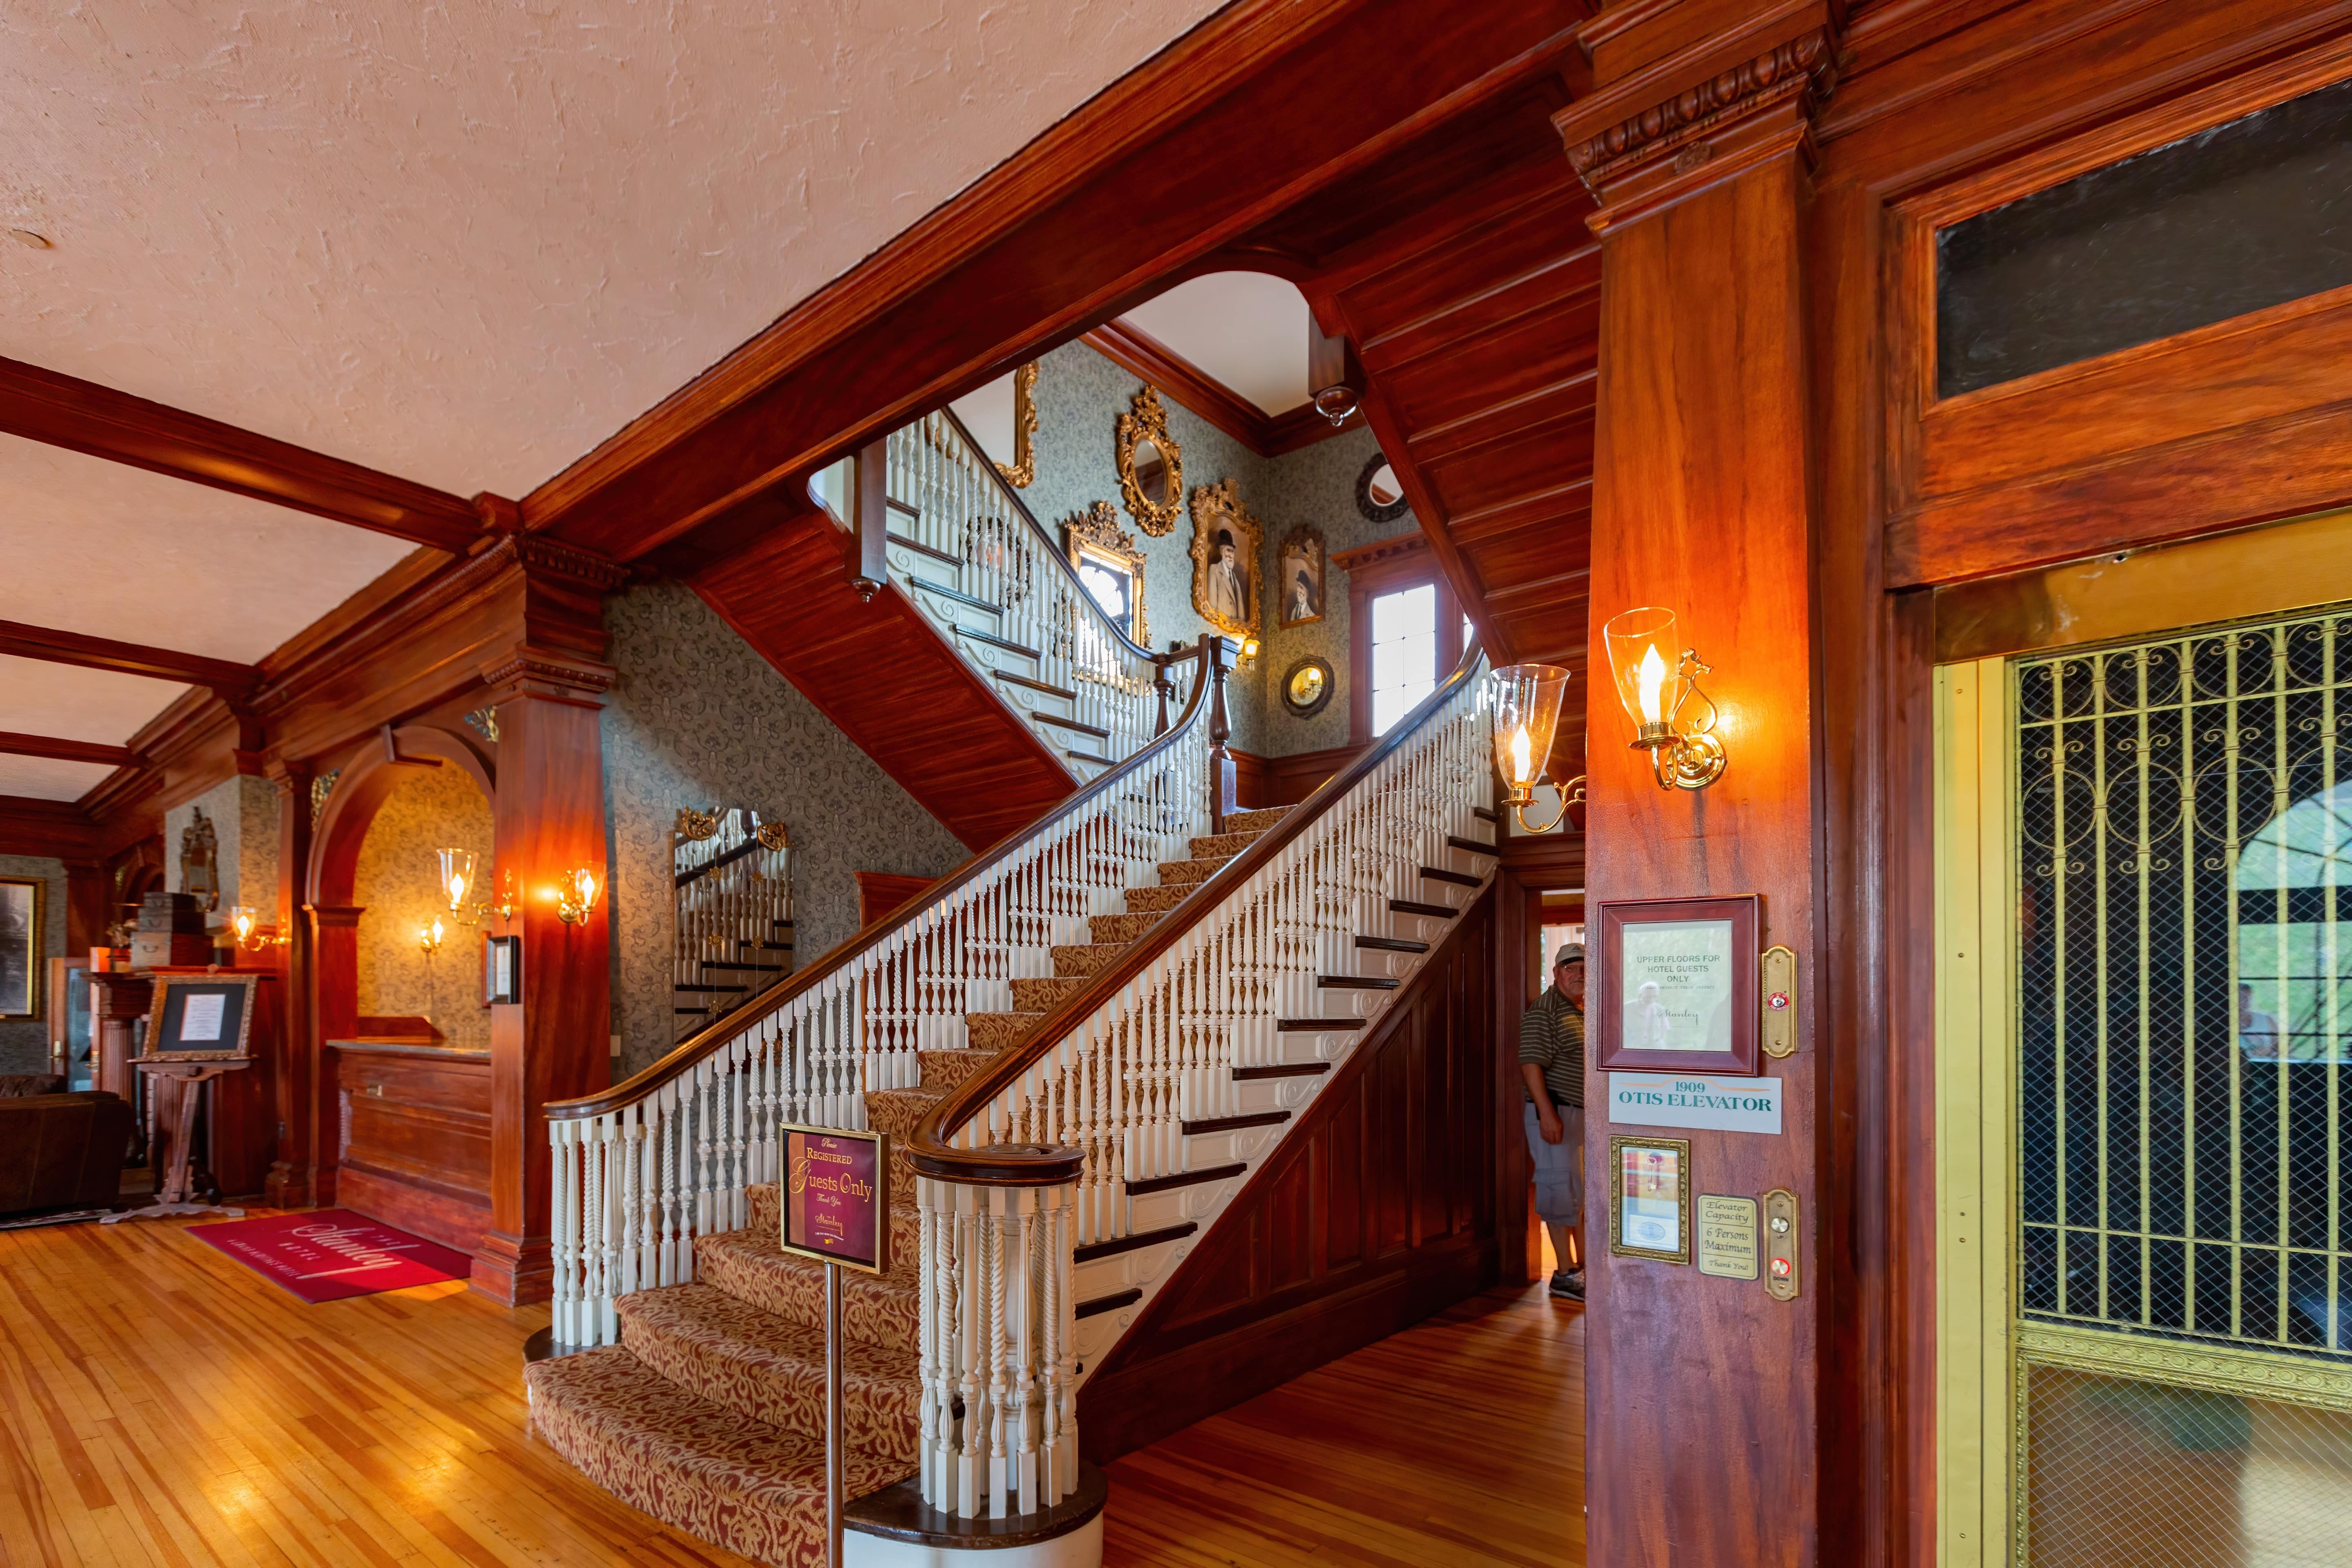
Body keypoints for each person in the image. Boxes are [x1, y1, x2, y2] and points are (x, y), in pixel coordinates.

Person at [1520, 942, 1587, 1301]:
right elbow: (1531, 1064)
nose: (1578, 974)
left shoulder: (1578, 1010)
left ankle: (1582, 1269)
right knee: (1559, 1190)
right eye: (1571, 967)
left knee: (1579, 1194)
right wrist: (1547, 1114)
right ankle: (1564, 1275)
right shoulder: (1543, 1011)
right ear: (1557, 972)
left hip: (1578, 1115)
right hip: (1556, 1114)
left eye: (1583, 968)